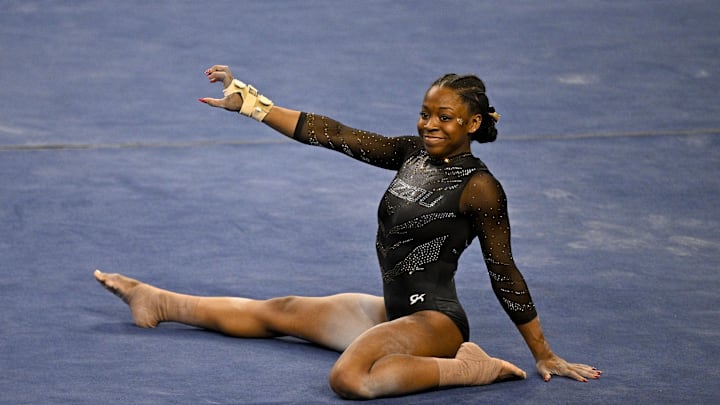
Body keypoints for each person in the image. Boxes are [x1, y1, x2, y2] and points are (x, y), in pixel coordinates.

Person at [94, 65, 601, 399]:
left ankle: (474, 366)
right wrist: (252, 105)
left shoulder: (481, 188)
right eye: (425, 113)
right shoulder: (411, 155)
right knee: (284, 310)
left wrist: (543, 352)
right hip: (392, 313)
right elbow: (335, 135)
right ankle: (157, 300)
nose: (429, 124)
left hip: (436, 324)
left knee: (350, 379)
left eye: (444, 117)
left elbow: (503, 270)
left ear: (472, 123)